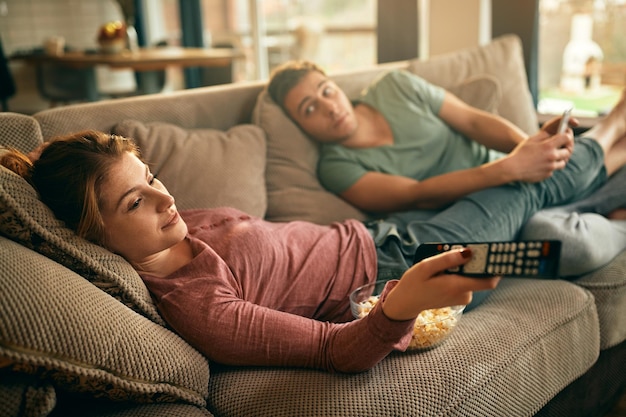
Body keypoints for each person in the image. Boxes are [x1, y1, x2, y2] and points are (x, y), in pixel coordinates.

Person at [0, 126, 611, 372]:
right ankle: (610, 129)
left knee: (540, 218)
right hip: (402, 266)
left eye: (152, 178)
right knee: (534, 182)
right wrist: (404, 305)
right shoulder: (199, 306)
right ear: (91, 232)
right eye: (134, 203)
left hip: (382, 229)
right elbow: (337, 349)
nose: (164, 200)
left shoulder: (182, 230)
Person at [266, 60, 626, 276]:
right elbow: (417, 195)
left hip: (514, 175)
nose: (328, 107)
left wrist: (530, 149)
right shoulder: (335, 167)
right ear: (302, 126)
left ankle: (614, 132)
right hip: (477, 213)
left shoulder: (396, 87)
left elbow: (472, 122)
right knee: (566, 243)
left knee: (549, 203)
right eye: (309, 109)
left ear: (337, 86)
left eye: (326, 91)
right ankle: (614, 137)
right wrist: (510, 168)